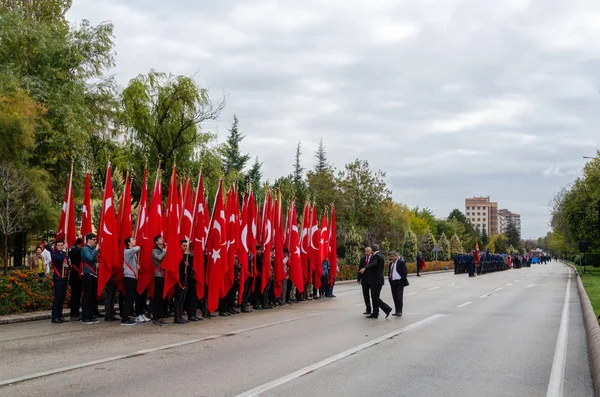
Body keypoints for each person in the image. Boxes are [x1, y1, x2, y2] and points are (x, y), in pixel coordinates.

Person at [359, 244, 392, 319]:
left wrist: (365, 267)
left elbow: (374, 263)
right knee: (375, 297)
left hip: (376, 280)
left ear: (372, 251)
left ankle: (387, 309)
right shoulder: (381, 255)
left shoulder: (376, 256)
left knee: (374, 297)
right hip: (378, 280)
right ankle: (375, 313)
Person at [81, 233, 100, 324]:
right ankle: (85, 317)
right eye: (93, 239)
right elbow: (89, 257)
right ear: (88, 240)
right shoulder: (85, 249)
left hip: (93, 274)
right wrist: (96, 249)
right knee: (87, 296)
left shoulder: (91, 249)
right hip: (87, 274)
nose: (95, 241)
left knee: (92, 296)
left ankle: (91, 315)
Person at [121, 237, 140, 326]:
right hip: (129, 277)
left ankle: (127, 316)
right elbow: (138, 248)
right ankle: (125, 319)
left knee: (131, 298)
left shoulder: (131, 251)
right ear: (128, 243)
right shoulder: (128, 251)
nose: (135, 241)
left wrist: (136, 266)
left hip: (133, 276)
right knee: (128, 299)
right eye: (132, 240)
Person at [50, 240, 69, 323]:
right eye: (59, 245)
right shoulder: (54, 254)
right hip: (58, 278)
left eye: (62, 245)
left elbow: (68, 264)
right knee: (57, 298)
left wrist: (67, 266)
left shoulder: (65, 255)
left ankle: (60, 315)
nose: (61, 247)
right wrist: (65, 250)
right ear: (56, 246)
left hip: (64, 278)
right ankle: (54, 317)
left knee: (62, 298)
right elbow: (60, 259)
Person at [152, 234, 167, 326]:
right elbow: (159, 258)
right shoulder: (154, 251)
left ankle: (160, 316)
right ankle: (155, 317)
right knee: (157, 297)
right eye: (160, 239)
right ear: (156, 242)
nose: (162, 239)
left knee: (162, 297)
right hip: (158, 275)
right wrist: (165, 251)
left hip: (164, 275)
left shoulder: (163, 250)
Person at [174, 240, 190, 324]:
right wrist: (184, 264)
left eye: (186, 245)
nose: (185, 247)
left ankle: (180, 315)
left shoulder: (185, 255)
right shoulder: (178, 255)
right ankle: (176, 316)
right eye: (184, 245)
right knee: (178, 299)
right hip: (179, 280)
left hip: (184, 279)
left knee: (182, 299)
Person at [68, 238, 84, 321]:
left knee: (78, 296)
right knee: (75, 296)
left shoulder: (76, 250)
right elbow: (74, 254)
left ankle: (76, 312)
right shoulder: (74, 251)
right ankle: (74, 313)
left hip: (78, 276)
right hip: (75, 276)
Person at [388, 251, 408, 316]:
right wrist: (390, 280)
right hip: (393, 282)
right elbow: (390, 272)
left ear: (396, 256)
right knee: (395, 297)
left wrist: (402, 280)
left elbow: (404, 272)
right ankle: (396, 311)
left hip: (399, 281)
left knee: (399, 296)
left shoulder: (401, 262)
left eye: (393, 256)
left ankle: (400, 311)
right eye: (391, 256)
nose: (392, 258)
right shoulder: (391, 264)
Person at [358, 247, 372, 315]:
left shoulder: (373, 259)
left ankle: (375, 309)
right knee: (366, 295)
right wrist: (359, 278)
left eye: (368, 251)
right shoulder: (363, 259)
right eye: (365, 251)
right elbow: (360, 268)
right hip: (364, 280)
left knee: (373, 296)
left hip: (372, 279)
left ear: (371, 252)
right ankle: (368, 309)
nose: (366, 253)